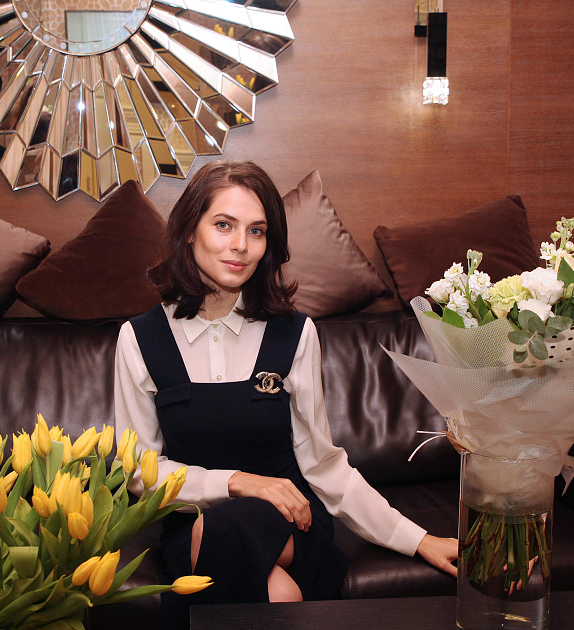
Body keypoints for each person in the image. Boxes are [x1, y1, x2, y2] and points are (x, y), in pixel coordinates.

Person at [113, 160, 459, 629]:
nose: (241, 245)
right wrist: (238, 482)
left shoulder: (294, 333)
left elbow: (323, 465)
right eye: (223, 225)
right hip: (193, 526)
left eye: (256, 231)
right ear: (190, 231)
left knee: (227, 532)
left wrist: (418, 539)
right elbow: (139, 471)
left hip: (293, 521)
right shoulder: (140, 338)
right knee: (272, 589)